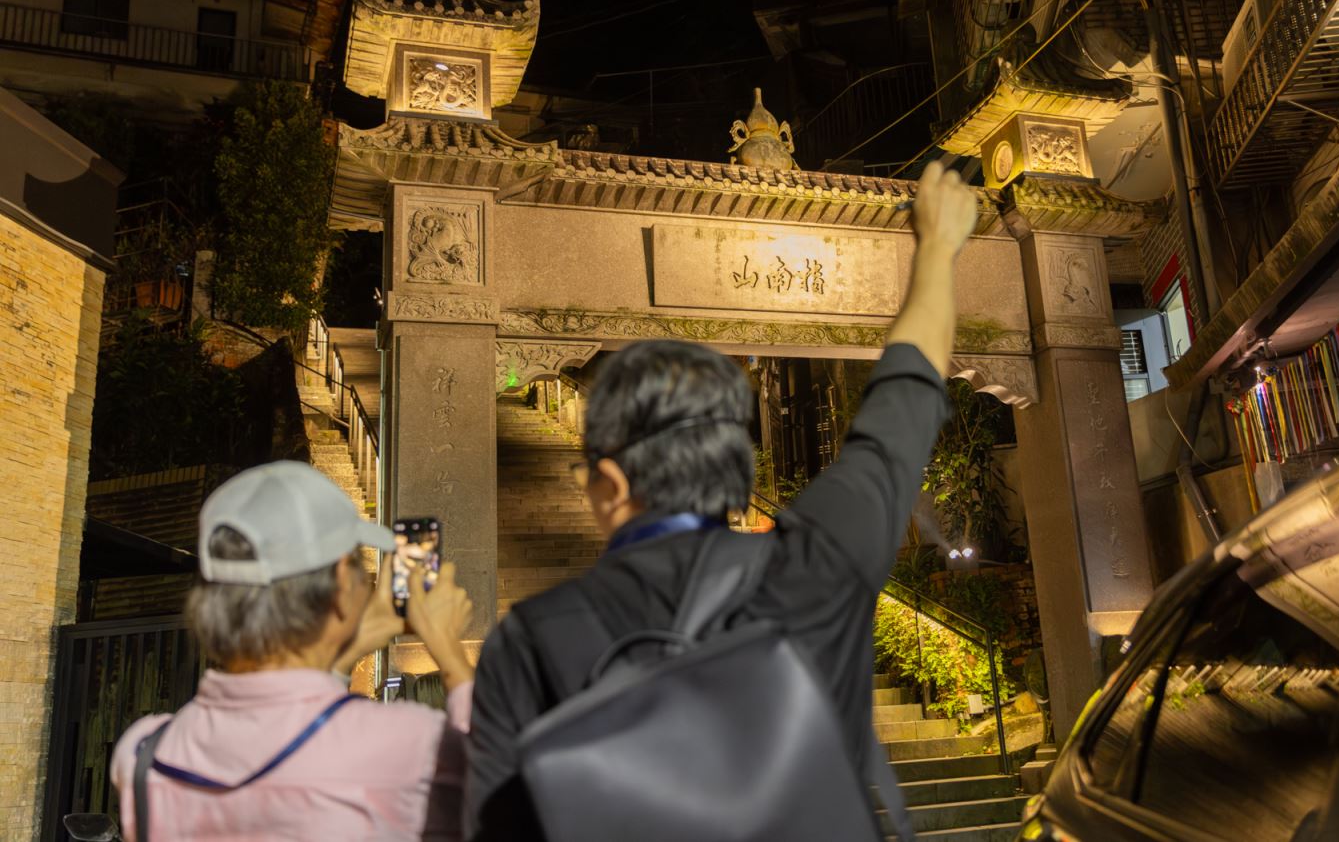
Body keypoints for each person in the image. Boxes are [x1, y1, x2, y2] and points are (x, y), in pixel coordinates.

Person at [466, 159, 978, 837]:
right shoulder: (818, 565)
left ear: (610, 485)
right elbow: (903, 402)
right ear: (736, 468)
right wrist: (937, 249)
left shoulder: (529, 641)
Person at [110, 462, 479, 841]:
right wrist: (446, 646)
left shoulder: (143, 754)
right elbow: (504, 797)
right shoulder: (406, 745)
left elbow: (282, 730)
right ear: (341, 583)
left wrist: (346, 650)